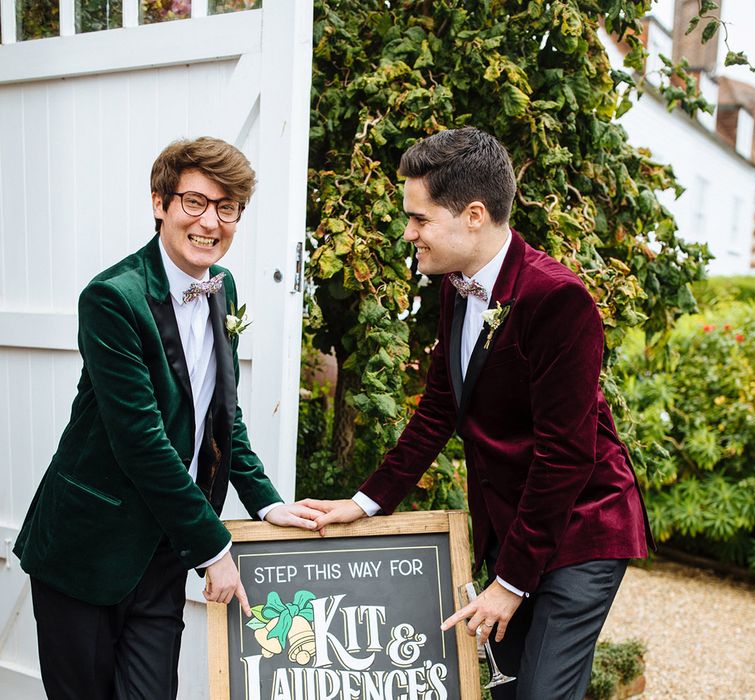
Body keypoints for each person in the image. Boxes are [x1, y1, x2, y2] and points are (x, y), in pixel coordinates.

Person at [301, 127, 653, 699]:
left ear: (472, 214)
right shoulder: (456, 289)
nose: (408, 232)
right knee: (509, 690)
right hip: (514, 527)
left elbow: (565, 455)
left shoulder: (557, 300)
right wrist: (365, 503)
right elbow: (440, 408)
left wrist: (509, 584)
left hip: (580, 526)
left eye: (419, 219)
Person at [14, 136, 321, 700]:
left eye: (227, 209)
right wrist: (214, 547)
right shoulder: (112, 299)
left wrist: (268, 504)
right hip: (86, 549)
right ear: (160, 203)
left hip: (161, 549)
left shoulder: (221, 287)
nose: (211, 223)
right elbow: (141, 441)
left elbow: (220, 419)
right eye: (195, 203)